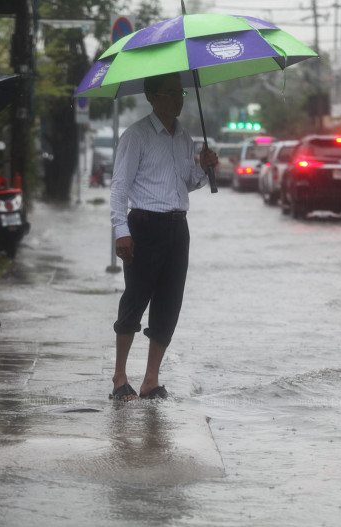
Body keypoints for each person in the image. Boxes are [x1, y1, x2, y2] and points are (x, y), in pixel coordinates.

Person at [109, 72, 218, 400]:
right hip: (143, 226)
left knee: (169, 303)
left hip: (177, 228)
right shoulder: (137, 135)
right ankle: (119, 378)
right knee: (135, 299)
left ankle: (151, 380)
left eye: (181, 93)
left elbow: (185, 183)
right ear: (152, 97)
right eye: (170, 93)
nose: (178, 99)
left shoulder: (183, 137)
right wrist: (121, 231)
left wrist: (203, 167)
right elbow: (119, 186)